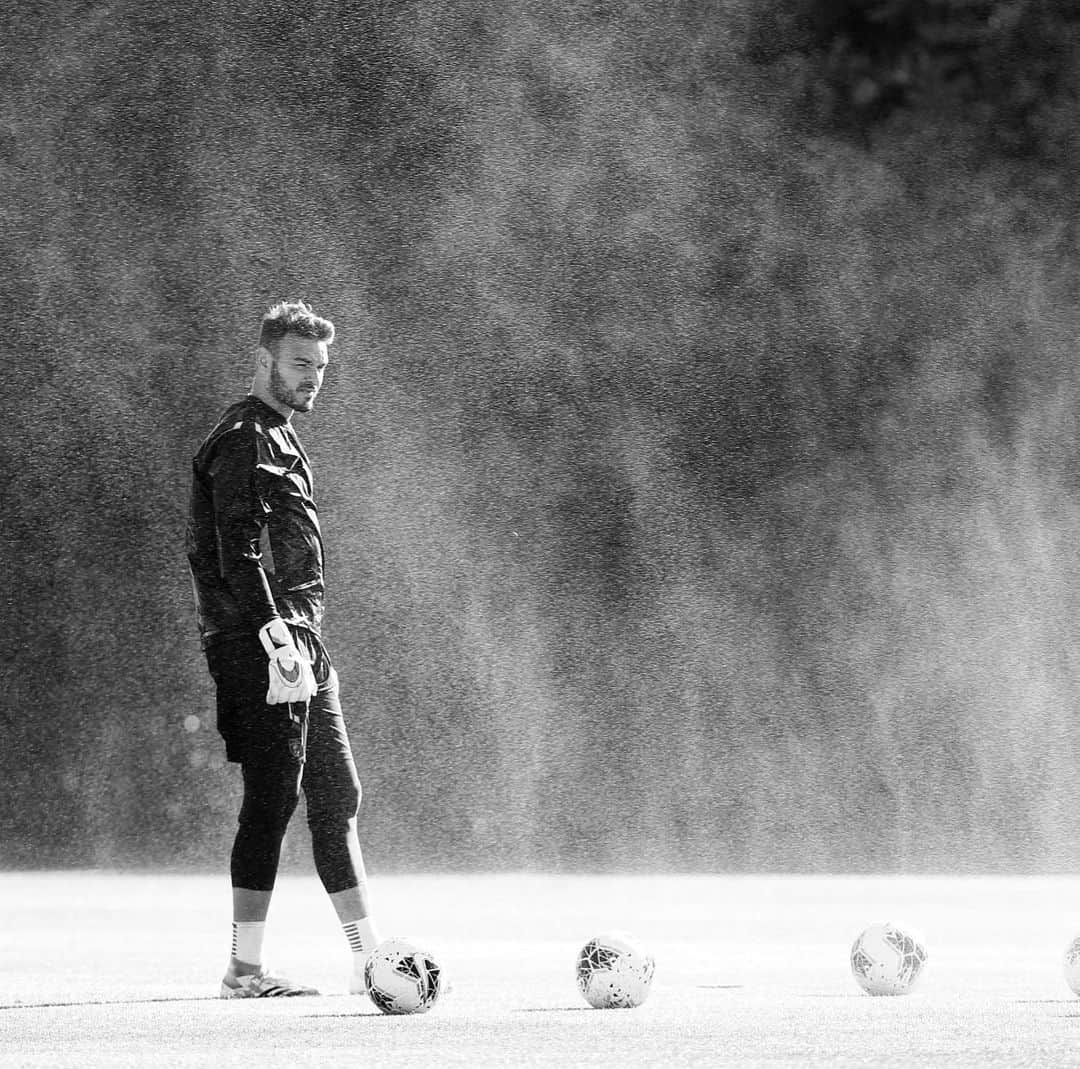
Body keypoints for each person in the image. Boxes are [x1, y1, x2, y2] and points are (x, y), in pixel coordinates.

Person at [186, 299, 380, 998]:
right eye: (301, 363)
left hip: (300, 640)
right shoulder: (244, 436)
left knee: (337, 792)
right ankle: (243, 968)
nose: (314, 377)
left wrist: (299, 638)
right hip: (262, 642)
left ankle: (369, 961)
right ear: (265, 360)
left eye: (322, 366)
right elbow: (235, 548)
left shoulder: (281, 434)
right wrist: (274, 635)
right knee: (272, 796)